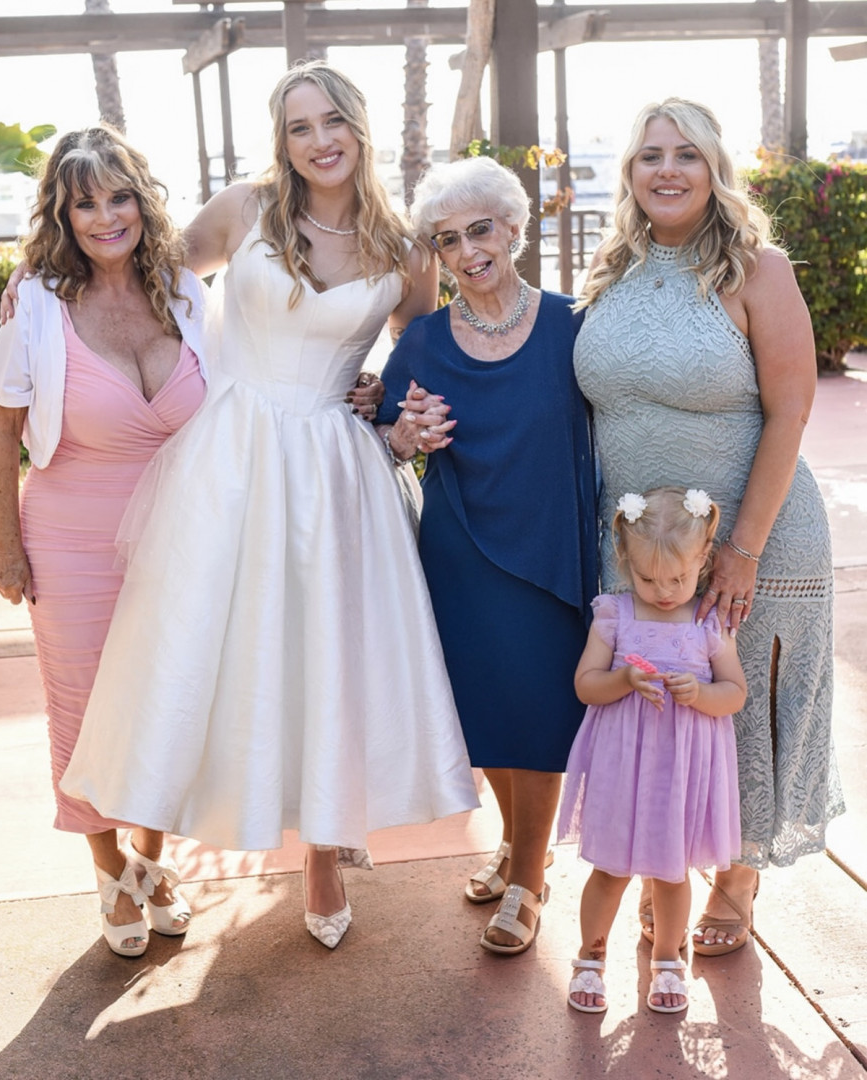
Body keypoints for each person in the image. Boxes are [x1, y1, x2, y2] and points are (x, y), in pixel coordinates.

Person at [58, 61, 479, 950]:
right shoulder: (244, 211)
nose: (319, 140)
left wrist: (388, 402)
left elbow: (415, 354)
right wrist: (39, 297)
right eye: (298, 127)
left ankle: (324, 855)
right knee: (200, 648)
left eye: (332, 121)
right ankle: (152, 845)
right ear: (280, 141)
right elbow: (136, 272)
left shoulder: (405, 248)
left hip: (335, 468)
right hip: (230, 457)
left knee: (327, 655)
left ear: (358, 126)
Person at [573, 98, 842, 959]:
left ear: (714, 169)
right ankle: (661, 863)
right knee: (656, 708)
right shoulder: (610, 270)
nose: (666, 169)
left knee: (739, 707)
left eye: (685, 154)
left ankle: (734, 876)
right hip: (644, 548)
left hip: (754, 538)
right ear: (629, 172)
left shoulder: (757, 269)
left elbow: (790, 409)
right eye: (650, 154)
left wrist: (742, 549)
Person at [0, 126, 211, 957]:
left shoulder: (186, 293)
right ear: (62, 215)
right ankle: (109, 868)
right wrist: (6, 547)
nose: (106, 217)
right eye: (85, 203)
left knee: (169, 706)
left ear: (143, 203)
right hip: (72, 540)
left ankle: (151, 858)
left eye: (120, 197)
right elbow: (1, 430)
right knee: (83, 714)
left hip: (179, 544)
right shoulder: (38, 304)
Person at [375, 154, 598, 955]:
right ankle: (516, 848)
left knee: (538, 715)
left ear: (512, 228)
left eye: (480, 231)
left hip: (549, 547)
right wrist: (403, 433)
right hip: (460, 553)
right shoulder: (422, 341)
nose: (468, 252)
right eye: (447, 240)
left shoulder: (575, 324)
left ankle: (528, 880)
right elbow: (382, 434)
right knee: (492, 715)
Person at [560, 487, 746, 1015]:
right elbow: (585, 686)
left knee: (671, 871)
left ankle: (668, 959)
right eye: (647, 579)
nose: (663, 592)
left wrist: (701, 694)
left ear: (703, 560)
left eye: (678, 579)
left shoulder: (709, 623)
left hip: (680, 772)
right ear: (625, 560)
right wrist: (622, 678)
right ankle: (591, 957)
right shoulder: (614, 615)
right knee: (610, 870)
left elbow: (734, 693)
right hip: (623, 767)